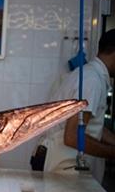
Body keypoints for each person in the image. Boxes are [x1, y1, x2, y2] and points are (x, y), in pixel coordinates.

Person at [38, 29, 115, 183]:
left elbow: (88, 123)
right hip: (61, 165)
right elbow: (72, 136)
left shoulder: (89, 75)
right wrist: (112, 153)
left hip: (61, 163)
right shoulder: (91, 80)